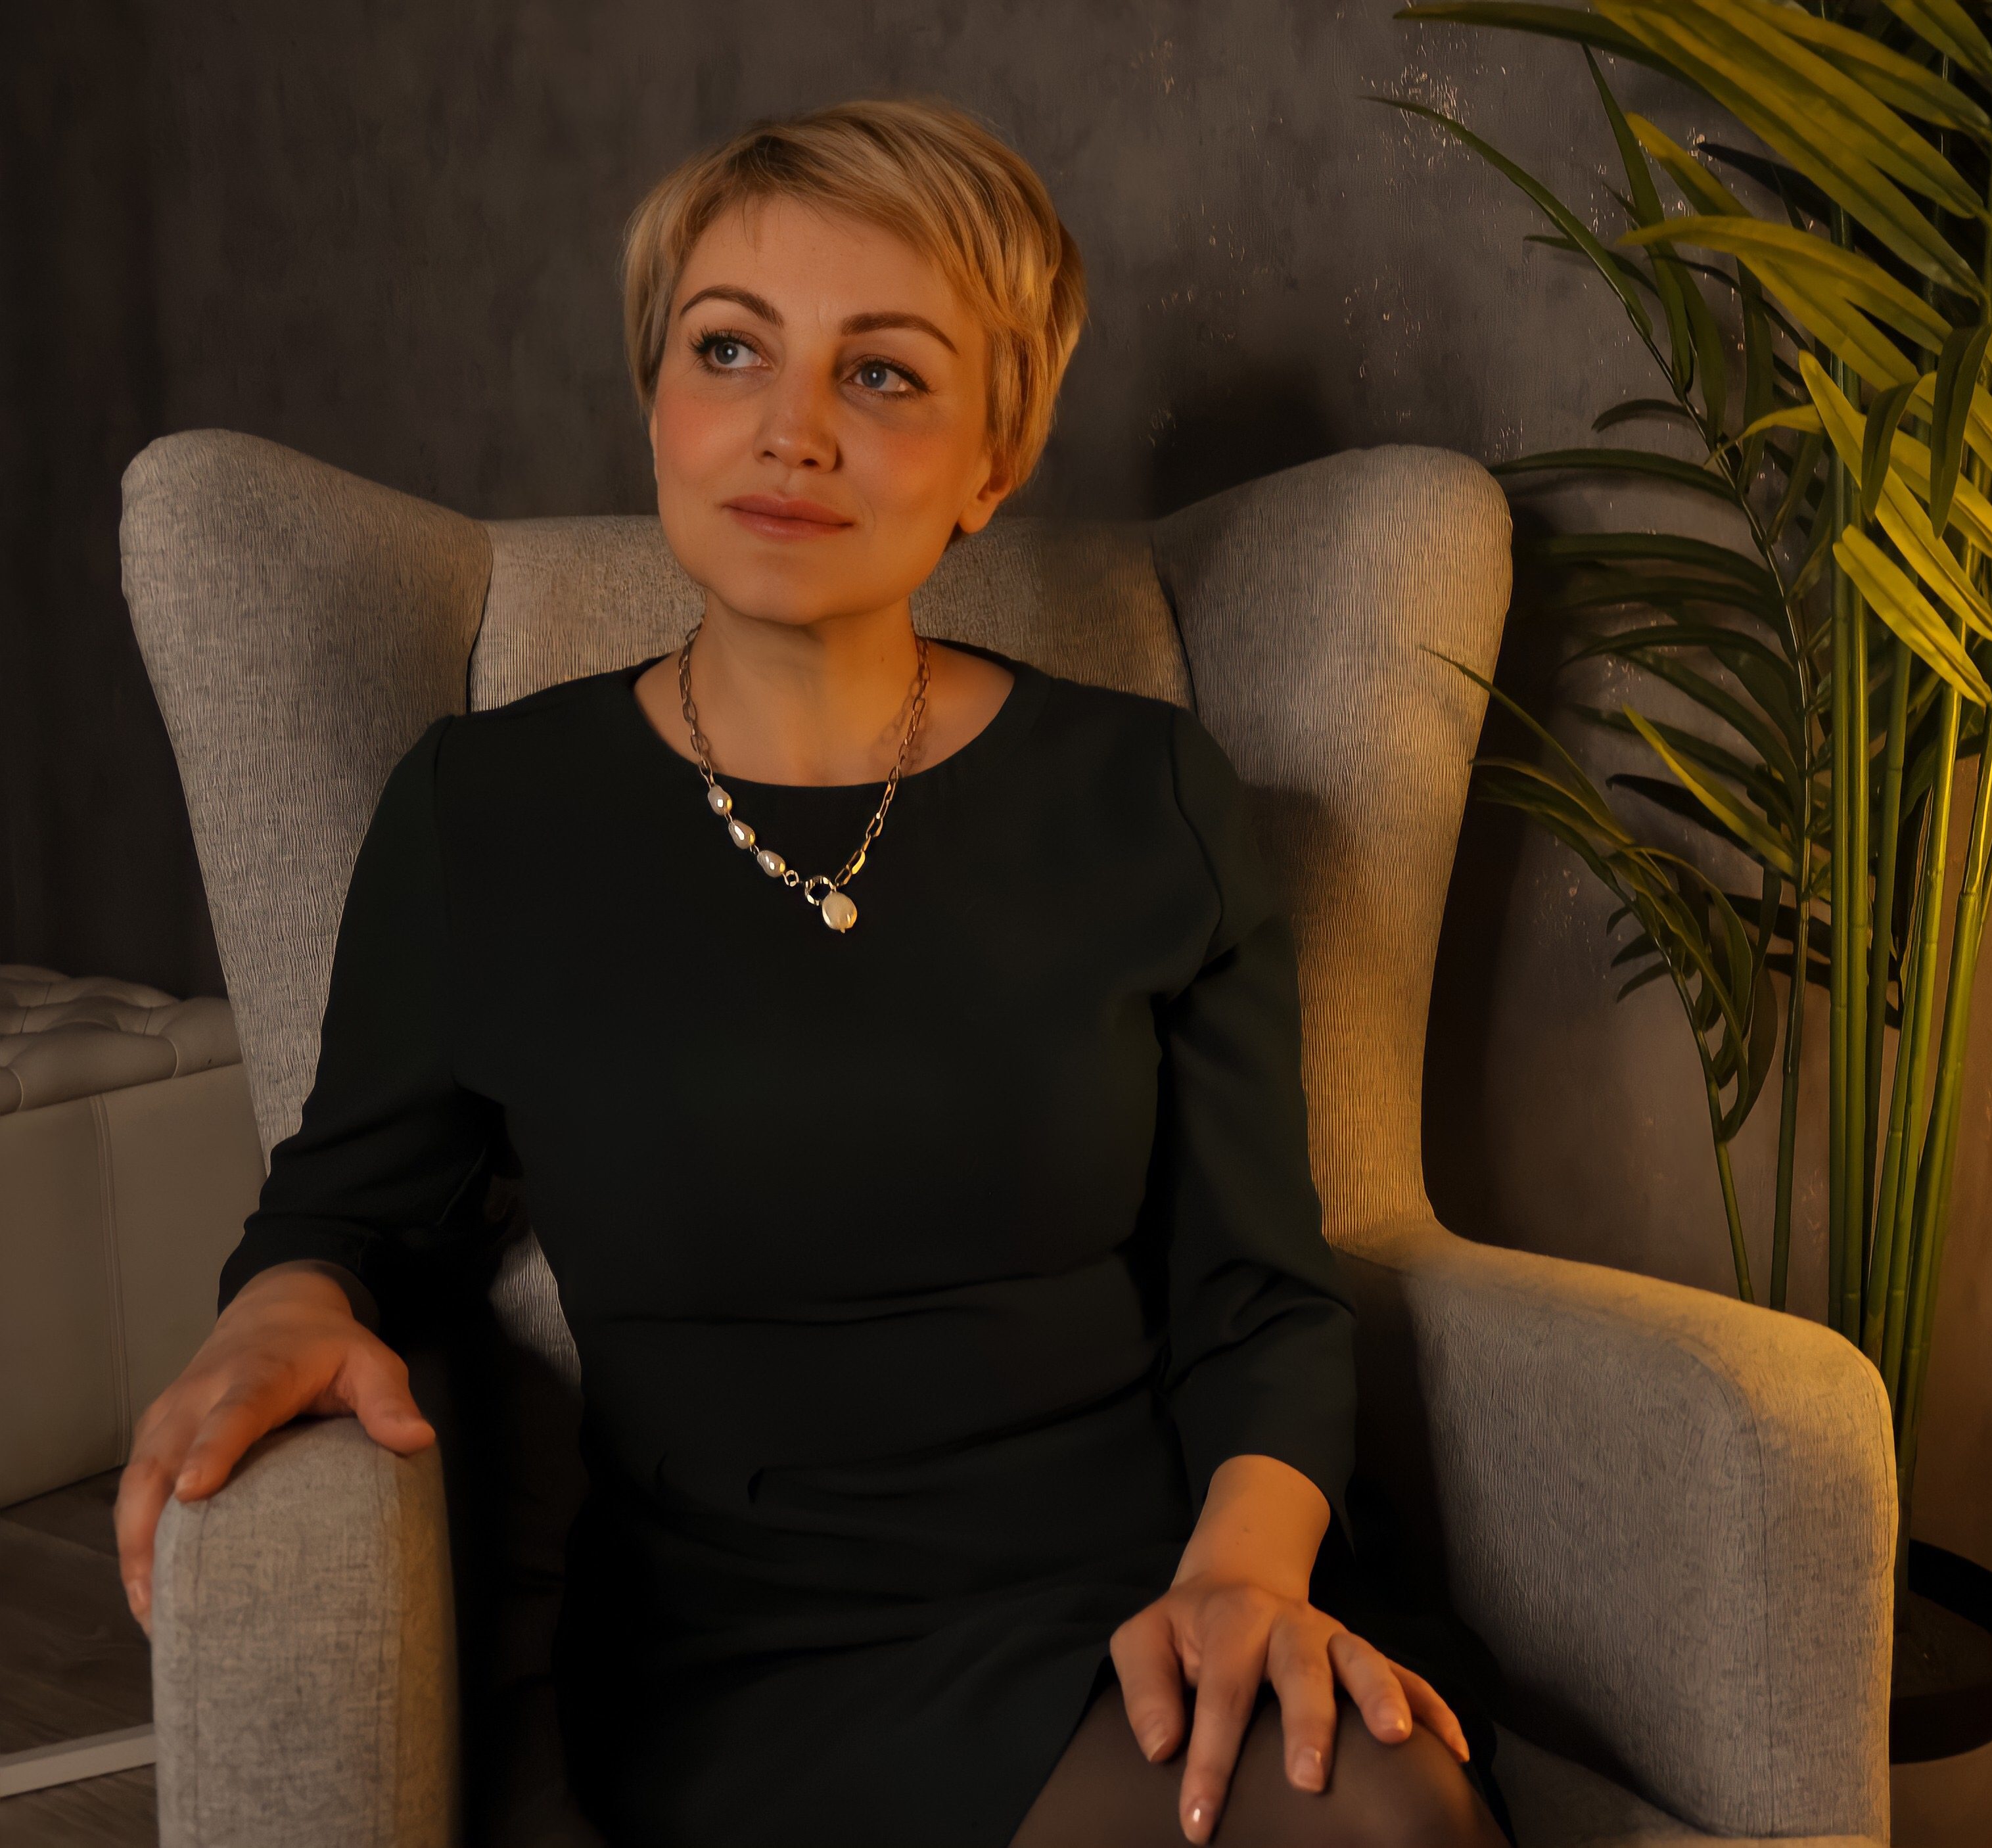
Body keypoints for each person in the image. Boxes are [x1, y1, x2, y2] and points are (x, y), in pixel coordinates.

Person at [112, 97, 1516, 1848]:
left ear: (994, 460)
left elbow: (1260, 1288)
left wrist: (1243, 1569)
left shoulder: (1146, 792)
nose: (791, 430)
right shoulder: (489, 813)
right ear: (657, 398)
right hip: (753, 1651)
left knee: (1365, 1799)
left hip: (1165, 1564)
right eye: (729, 350)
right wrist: (284, 1304)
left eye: (884, 374)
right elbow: (350, 1207)